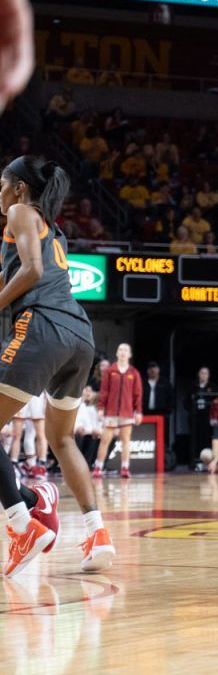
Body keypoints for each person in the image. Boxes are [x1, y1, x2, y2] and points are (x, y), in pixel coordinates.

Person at [0, 156, 113, 576]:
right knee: (61, 438)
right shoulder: (54, 231)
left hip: (42, 329)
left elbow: (31, 271)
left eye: (1, 185)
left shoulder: (19, 212)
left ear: (19, 190)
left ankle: (21, 522)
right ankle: (96, 531)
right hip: (80, 337)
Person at [91, 342, 142, 479]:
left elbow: (137, 394)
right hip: (111, 412)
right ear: (117, 353)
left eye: (126, 350)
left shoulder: (134, 373)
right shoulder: (110, 371)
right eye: (120, 349)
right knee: (105, 440)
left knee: (126, 441)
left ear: (130, 354)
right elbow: (104, 391)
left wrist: (139, 411)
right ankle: (98, 467)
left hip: (127, 412)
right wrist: (101, 408)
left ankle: (125, 468)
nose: (123, 352)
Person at [9, 389, 47, 478]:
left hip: (37, 393)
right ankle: (14, 464)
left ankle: (42, 465)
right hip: (21, 391)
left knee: (40, 434)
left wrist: (46, 400)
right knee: (16, 435)